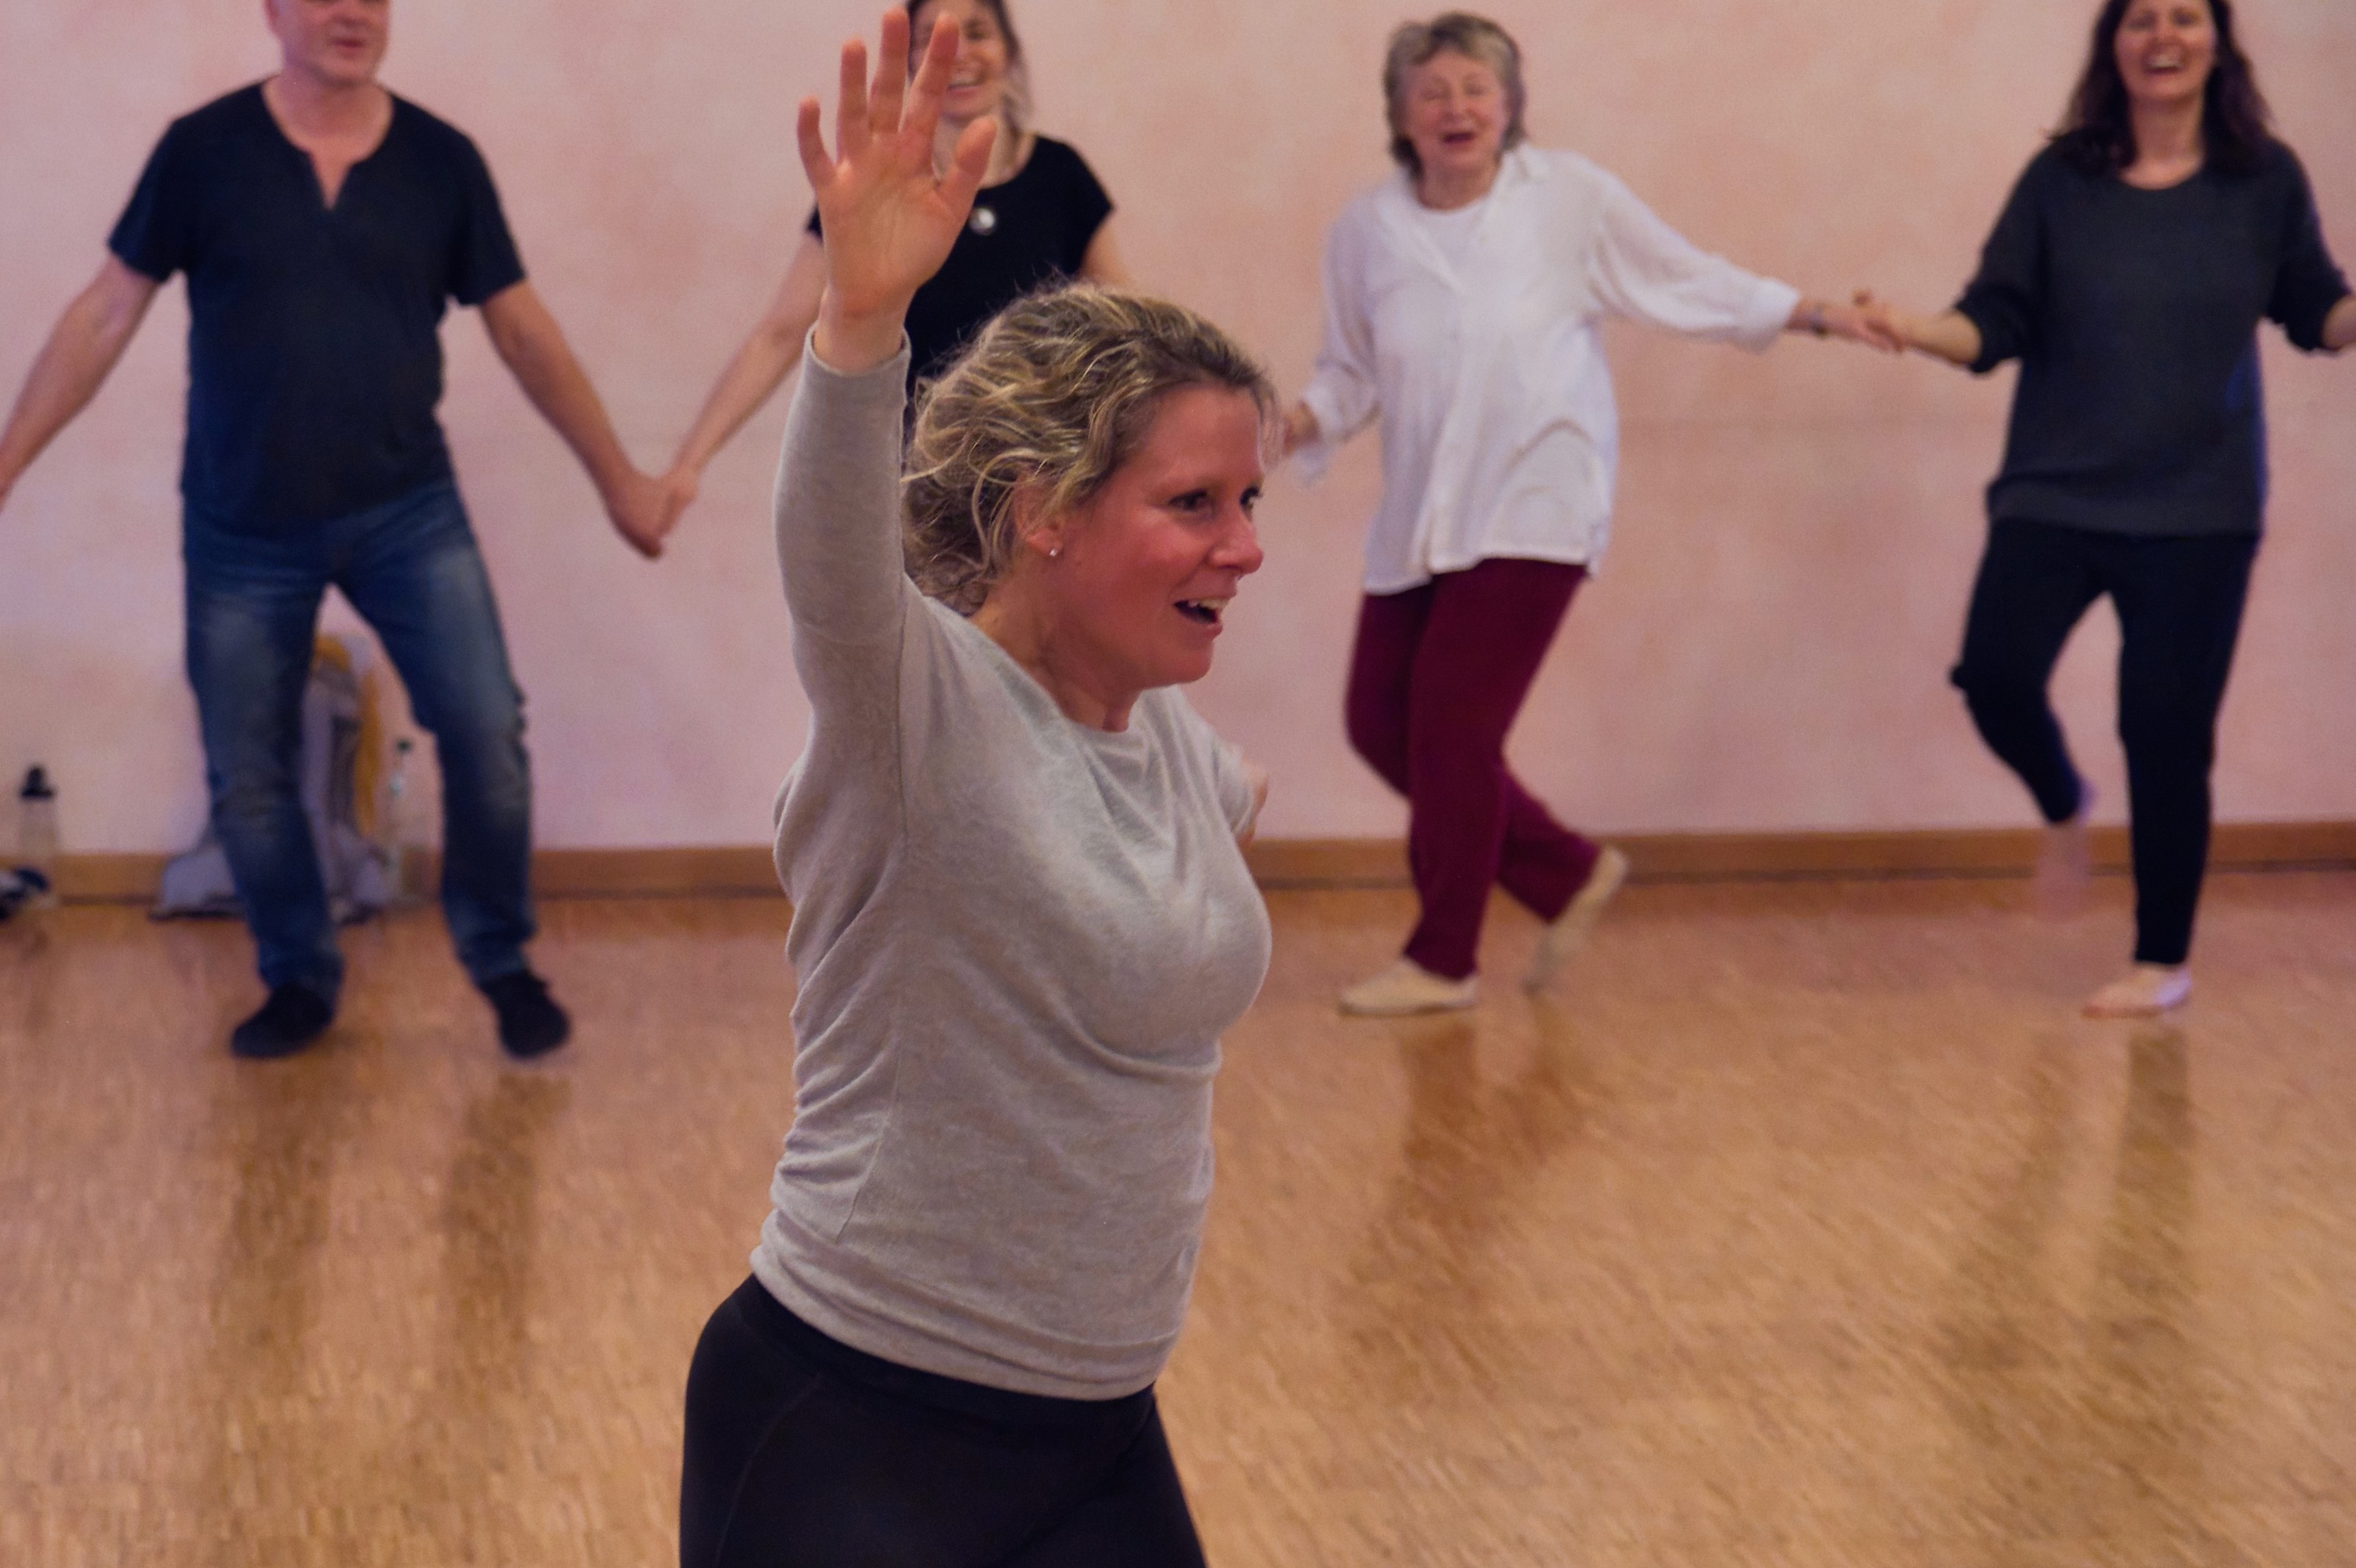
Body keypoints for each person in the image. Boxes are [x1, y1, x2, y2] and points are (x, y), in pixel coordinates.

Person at [677, 13, 1269, 1565]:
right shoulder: (912, 707)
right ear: (1047, 515)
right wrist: (860, 325)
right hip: (855, 1420)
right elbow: (829, 558)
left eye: (1250, 500)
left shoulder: (1184, 752)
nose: (1248, 548)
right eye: (1195, 504)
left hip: (1100, 1429)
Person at [0, 0, 683, 1059]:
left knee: (487, 730)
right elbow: (104, 313)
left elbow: (523, 330)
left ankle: (501, 960)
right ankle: (299, 976)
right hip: (241, 524)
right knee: (251, 769)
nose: (351, 10)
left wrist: (619, 482)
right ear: (273, 9)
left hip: (407, 509)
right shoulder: (202, 152)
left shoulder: (440, 161)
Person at [1284, 12, 1900, 1018]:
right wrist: (1293, 421)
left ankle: (1443, 958)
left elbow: (1686, 279)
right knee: (1377, 722)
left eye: (1476, 89)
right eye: (1432, 90)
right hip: (1421, 514)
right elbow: (1349, 372)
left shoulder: (1566, 199)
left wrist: (1816, 312)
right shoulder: (1365, 228)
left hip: (1536, 500)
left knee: (1446, 727)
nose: (1456, 108)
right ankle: (1562, 871)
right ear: (1397, 111)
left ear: (1510, 105)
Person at [1857, 0, 2354, 1019]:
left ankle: (2157, 959)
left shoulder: (2263, 179)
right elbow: (1992, 318)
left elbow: (2314, 308)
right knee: (1994, 675)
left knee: (2163, 732)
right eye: (2138, 20)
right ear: (2111, 45)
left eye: (2182, 17)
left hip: (2199, 509)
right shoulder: (2060, 180)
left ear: (2216, 41)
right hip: (2055, 489)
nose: (2160, 37)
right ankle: (2059, 801)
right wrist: (1908, 327)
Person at [663, 0, 1128, 505]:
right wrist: (687, 465)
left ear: (1010, 52)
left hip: (1038, 491)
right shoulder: (875, 192)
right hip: (910, 492)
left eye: (976, 33)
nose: (957, 54)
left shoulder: (1060, 175)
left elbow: (1127, 328)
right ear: (910, 64)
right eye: (932, 40)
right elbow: (778, 333)